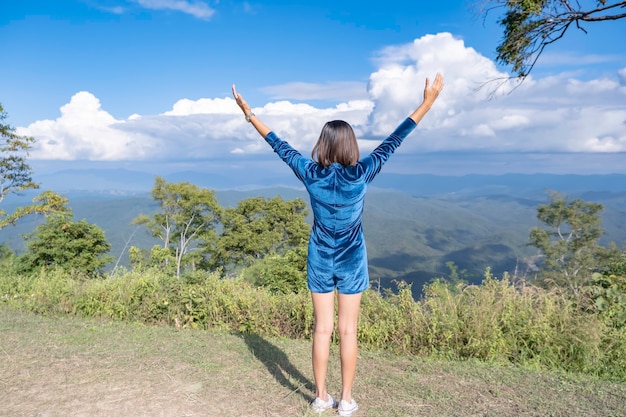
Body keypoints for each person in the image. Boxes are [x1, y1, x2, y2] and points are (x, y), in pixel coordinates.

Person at [232, 73, 444, 416]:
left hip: (319, 258)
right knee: (348, 330)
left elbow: (278, 144)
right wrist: (428, 102)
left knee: (322, 329)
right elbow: (395, 139)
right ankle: (345, 400)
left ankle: (319, 397)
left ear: (323, 144)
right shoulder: (361, 172)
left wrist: (248, 112)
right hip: (352, 260)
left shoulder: (309, 171)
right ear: (350, 145)